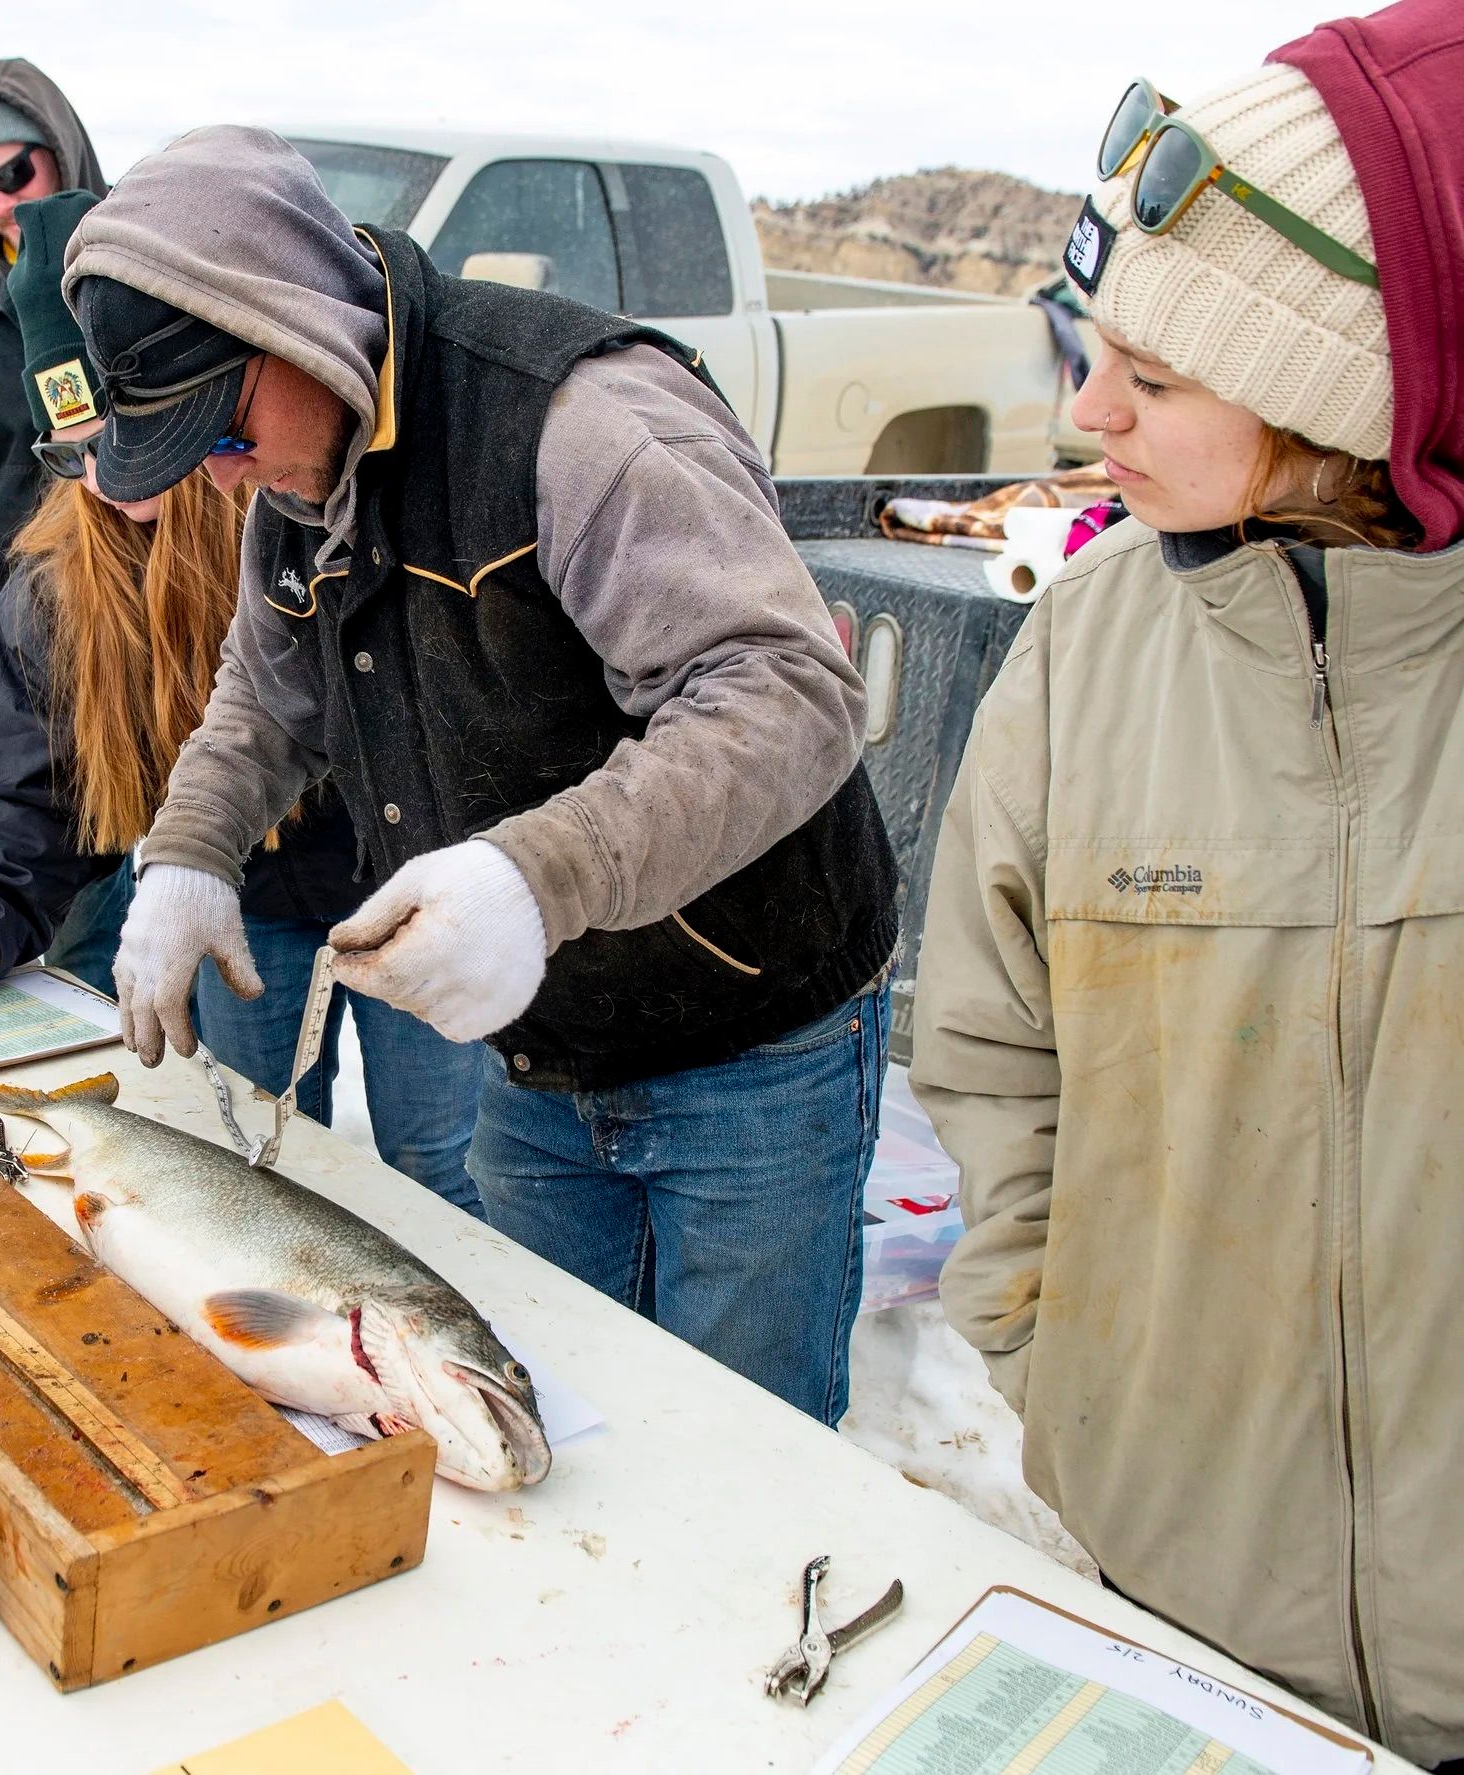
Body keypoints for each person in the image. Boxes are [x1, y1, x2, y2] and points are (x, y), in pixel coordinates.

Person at [61, 129, 899, 1425]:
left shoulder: (573, 423)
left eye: (219, 428)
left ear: (294, 320)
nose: (219, 477)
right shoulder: (296, 478)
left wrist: (535, 873)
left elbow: (784, 695)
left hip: (746, 1035)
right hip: (540, 1051)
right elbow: (262, 697)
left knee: (746, 1440)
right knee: (556, 1413)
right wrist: (188, 854)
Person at [912, 6, 1463, 1763]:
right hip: (1180, 1587)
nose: (1087, 414)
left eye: (1153, 380)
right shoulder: (1086, 651)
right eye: (1096, 353)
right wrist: (1044, 1345)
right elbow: (993, 1051)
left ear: (1333, 408)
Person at [0, 193, 482, 1210]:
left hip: (404, 883)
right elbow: (30, 800)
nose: (110, 481)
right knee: (270, 1161)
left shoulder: (305, 500)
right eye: (76, 454)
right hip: (239, 913)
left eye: (126, 438)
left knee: (435, 1156)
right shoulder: (57, 589)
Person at [0, 63, 131, 993]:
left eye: (17, 176)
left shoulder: (157, 274)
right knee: (74, 959)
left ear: (63, 147)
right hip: (56, 667)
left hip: (194, 651)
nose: (1, 205)